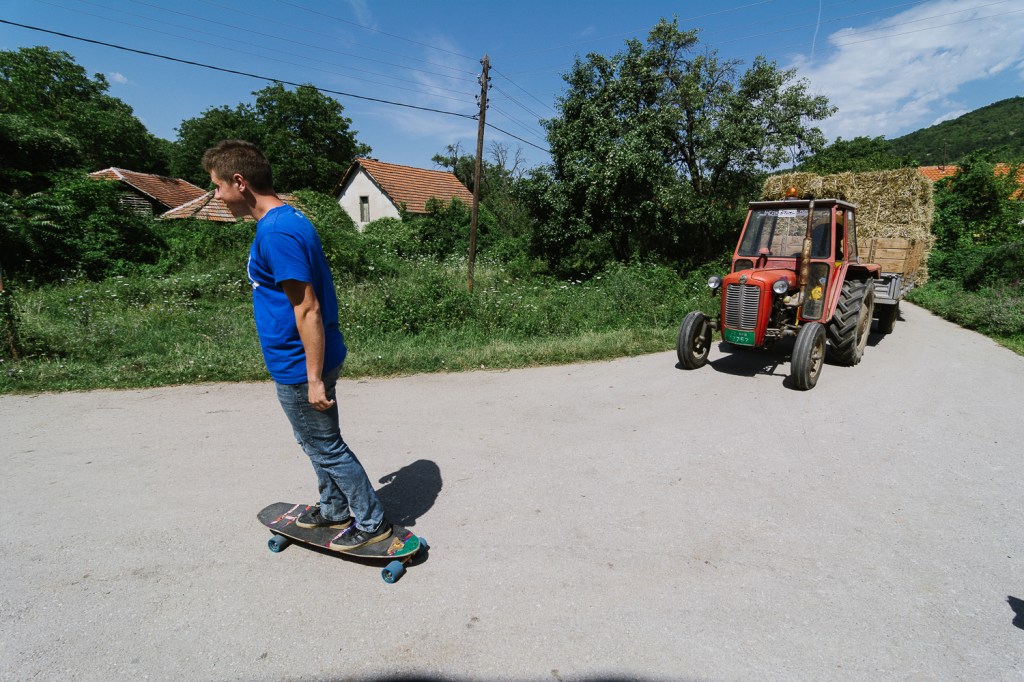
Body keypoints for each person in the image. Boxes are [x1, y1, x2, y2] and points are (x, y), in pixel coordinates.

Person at [202, 139, 391, 549]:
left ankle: (372, 522)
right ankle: (334, 508)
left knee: (324, 445)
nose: (215, 195)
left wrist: (313, 378)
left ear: (240, 182)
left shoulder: (276, 233)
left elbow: (307, 308)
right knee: (314, 440)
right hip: (306, 358)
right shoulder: (290, 219)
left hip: (300, 362)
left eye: (217, 186)